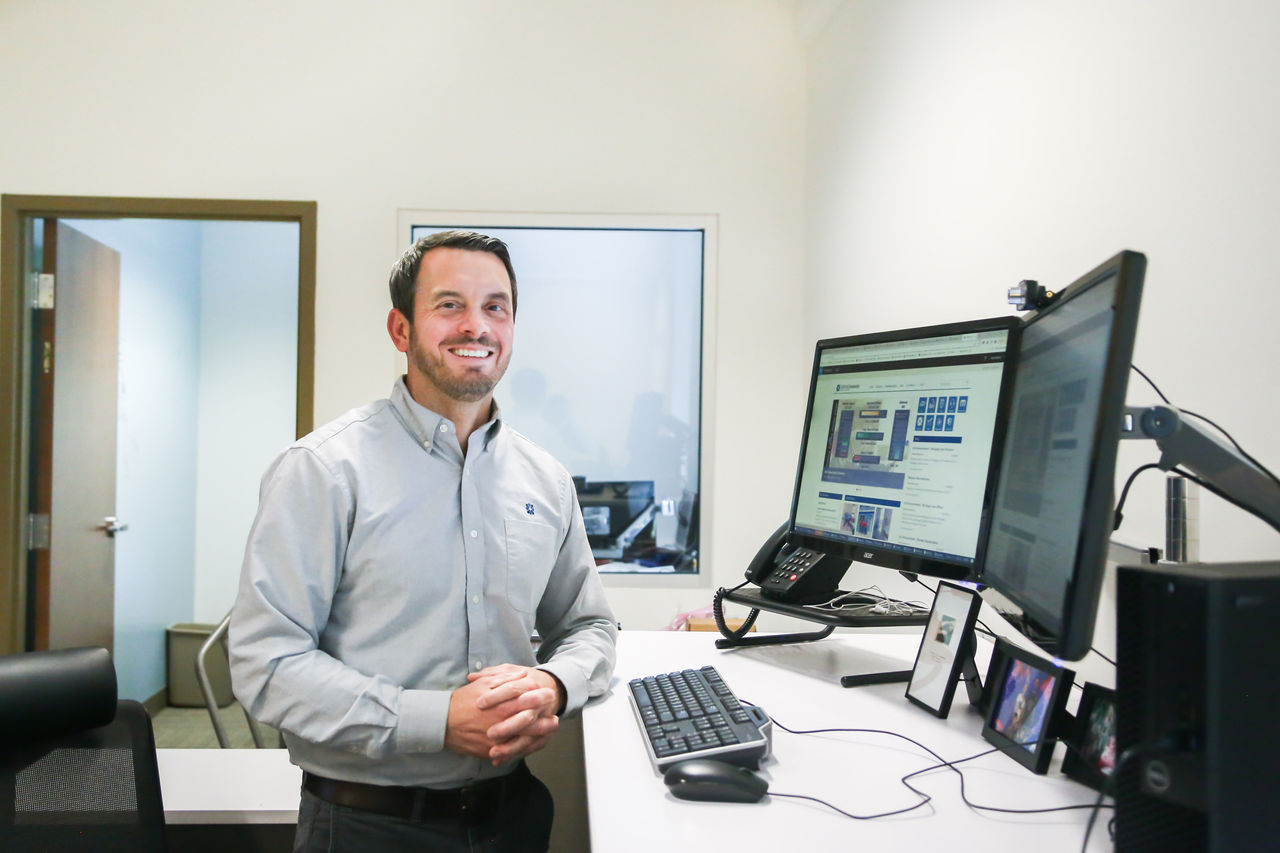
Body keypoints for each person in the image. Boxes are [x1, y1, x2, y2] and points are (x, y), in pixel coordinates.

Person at [229, 230, 618, 852]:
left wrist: (556, 685)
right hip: (367, 826)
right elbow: (266, 664)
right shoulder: (324, 470)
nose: (477, 326)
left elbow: (590, 626)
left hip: (511, 816)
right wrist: (437, 720)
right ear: (401, 329)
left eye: (496, 307)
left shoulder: (545, 478)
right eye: (449, 305)